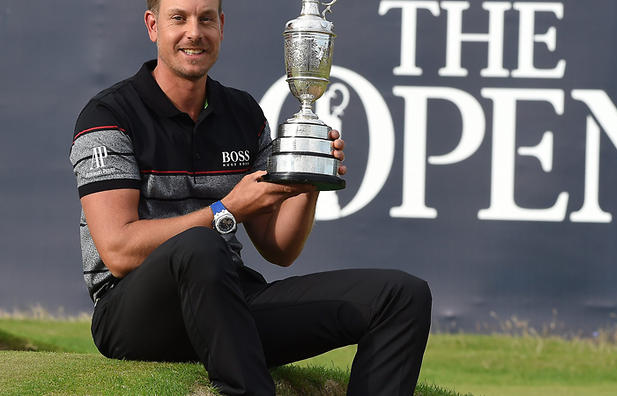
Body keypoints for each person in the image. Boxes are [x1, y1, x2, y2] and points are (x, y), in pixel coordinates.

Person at [69, 0, 432, 394]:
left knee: (401, 296)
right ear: (153, 26)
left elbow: (280, 248)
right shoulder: (108, 115)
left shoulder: (242, 112)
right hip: (134, 316)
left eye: (206, 19)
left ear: (221, 26)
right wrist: (225, 210)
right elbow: (119, 252)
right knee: (200, 246)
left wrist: (306, 180)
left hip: (229, 305)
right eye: (179, 18)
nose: (194, 32)